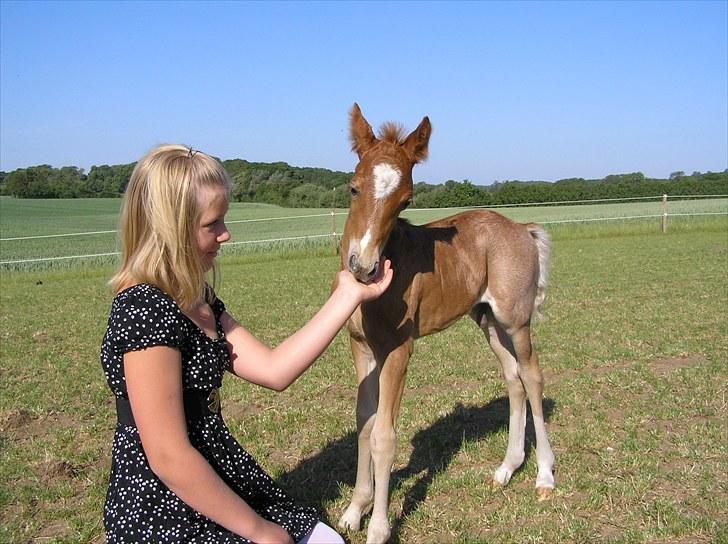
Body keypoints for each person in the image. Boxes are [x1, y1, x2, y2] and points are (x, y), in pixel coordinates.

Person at [100, 144, 393, 543]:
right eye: (212, 224)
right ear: (169, 227)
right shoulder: (143, 310)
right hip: (163, 503)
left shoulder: (195, 298)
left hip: (215, 472)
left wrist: (347, 296)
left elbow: (274, 370)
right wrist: (257, 530)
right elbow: (169, 457)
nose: (225, 234)